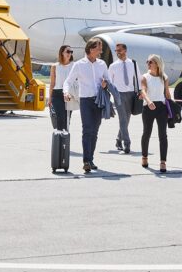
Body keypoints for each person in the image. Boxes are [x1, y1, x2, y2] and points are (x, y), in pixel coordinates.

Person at [63, 37, 111, 173]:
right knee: (87, 129)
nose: (101, 51)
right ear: (90, 49)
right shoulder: (79, 65)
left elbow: (108, 80)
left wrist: (105, 84)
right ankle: (86, 160)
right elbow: (68, 81)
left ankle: (90, 159)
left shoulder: (102, 64)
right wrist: (66, 93)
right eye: (98, 48)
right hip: (85, 101)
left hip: (99, 100)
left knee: (94, 131)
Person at [139, 53, 173, 173]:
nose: (148, 64)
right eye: (147, 62)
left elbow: (167, 94)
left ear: (157, 64)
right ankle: (144, 157)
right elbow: (143, 91)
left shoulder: (164, 77)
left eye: (150, 62)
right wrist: (149, 102)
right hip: (148, 107)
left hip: (161, 108)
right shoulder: (145, 77)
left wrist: (172, 108)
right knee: (146, 133)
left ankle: (163, 162)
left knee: (163, 135)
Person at [107, 43, 138, 154]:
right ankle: (127, 143)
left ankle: (118, 140)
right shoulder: (113, 66)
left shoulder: (133, 63)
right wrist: (111, 94)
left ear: (125, 50)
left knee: (127, 119)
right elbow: (109, 81)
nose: (118, 52)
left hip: (131, 94)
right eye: (116, 51)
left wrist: (139, 92)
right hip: (118, 94)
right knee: (123, 119)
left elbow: (138, 78)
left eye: (119, 50)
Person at [47, 45, 76, 132]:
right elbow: (52, 83)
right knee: (60, 116)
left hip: (69, 94)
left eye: (71, 52)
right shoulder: (55, 66)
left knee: (67, 118)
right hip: (57, 94)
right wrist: (50, 98)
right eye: (67, 51)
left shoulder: (74, 65)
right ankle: (59, 137)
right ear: (62, 53)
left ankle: (65, 140)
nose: (69, 53)